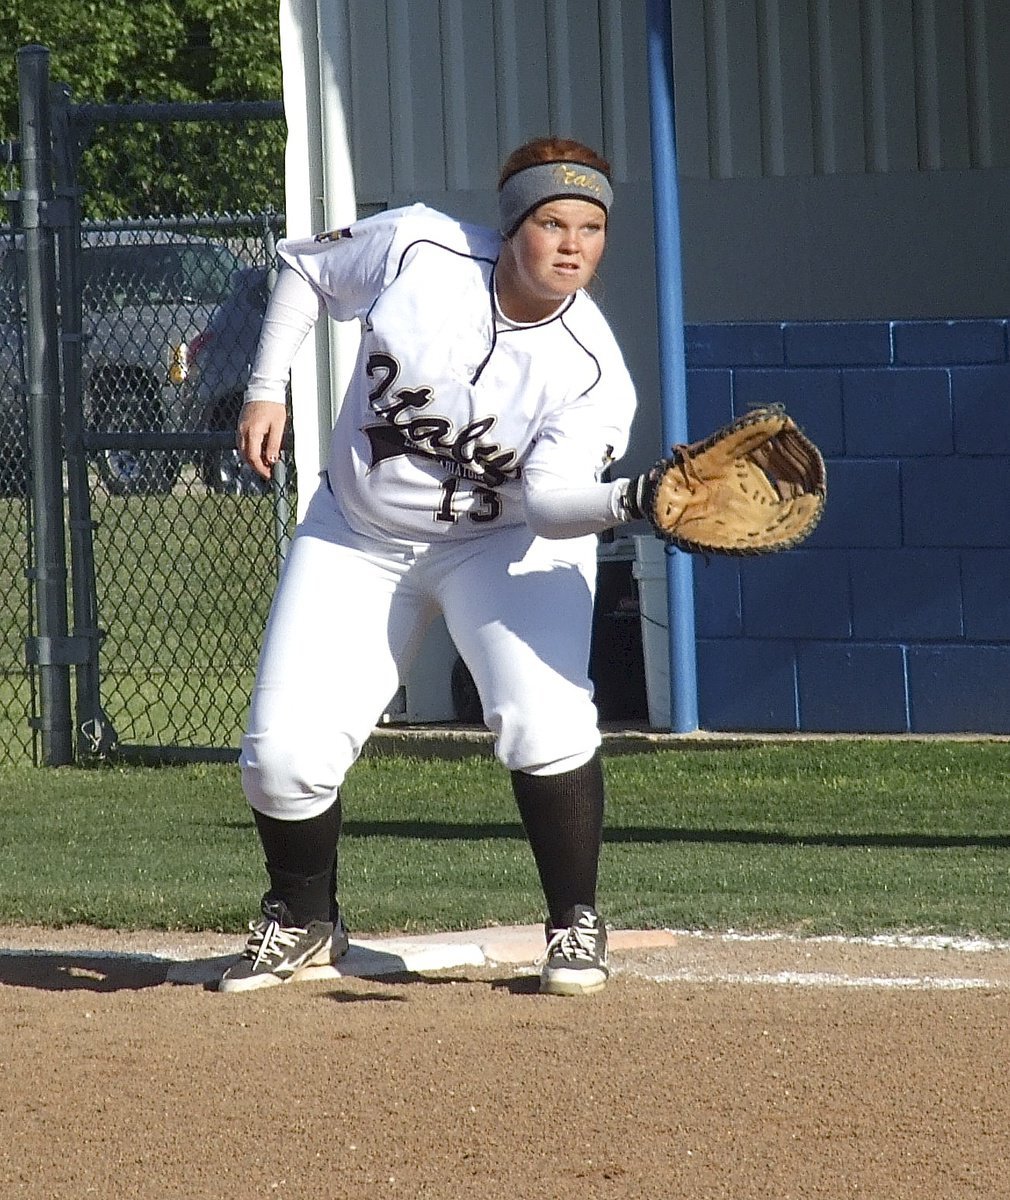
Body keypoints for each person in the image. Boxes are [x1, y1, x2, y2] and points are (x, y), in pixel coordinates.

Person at [223, 135, 651, 997]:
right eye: (553, 222)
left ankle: (575, 922)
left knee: (544, 721)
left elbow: (551, 501)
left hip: (505, 545)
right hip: (356, 532)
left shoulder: (592, 370)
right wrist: (267, 388)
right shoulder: (421, 247)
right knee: (281, 758)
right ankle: (305, 917)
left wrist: (631, 499)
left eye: (592, 227)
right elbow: (306, 270)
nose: (574, 245)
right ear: (512, 225)